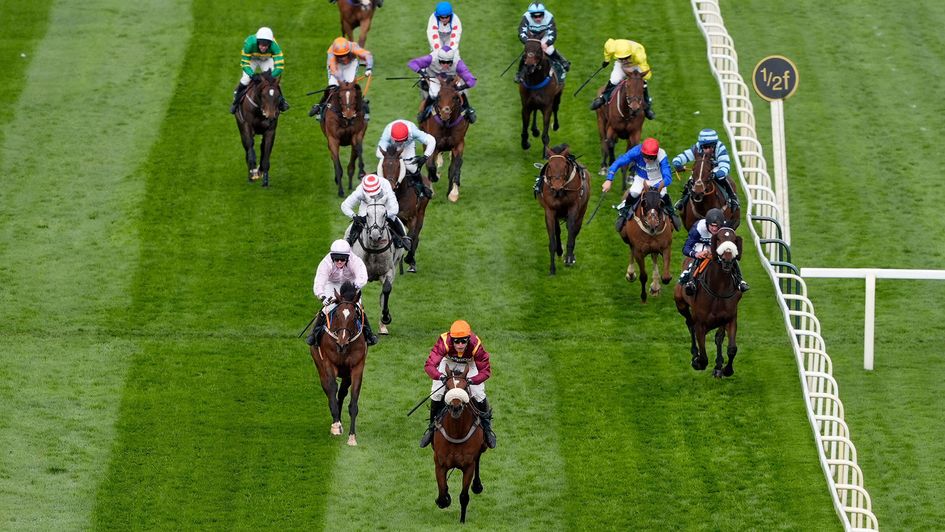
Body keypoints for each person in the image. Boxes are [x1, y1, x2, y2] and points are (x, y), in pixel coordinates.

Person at [419, 320, 496, 449]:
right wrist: (441, 377)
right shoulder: (443, 341)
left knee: (479, 393)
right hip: (448, 361)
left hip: (470, 363)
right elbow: (429, 365)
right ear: (451, 339)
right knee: (436, 393)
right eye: (456, 341)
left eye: (464, 341)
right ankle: (432, 428)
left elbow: (486, 371)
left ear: (469, 339)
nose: (460, 345)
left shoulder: (476, 344)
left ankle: (487, 429)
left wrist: (472, 380)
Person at [306, 239, 378, 347]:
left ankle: (369, 334)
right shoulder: (326, 263)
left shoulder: (355, 261)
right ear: (332, 257)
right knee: (328, 308)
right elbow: (319, 281)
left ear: (348, 257)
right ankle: (314, 334)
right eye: (336, 259)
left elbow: (363, 276)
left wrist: (354, 287)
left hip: (351, 285)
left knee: (357, 307)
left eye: (343, 259)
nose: (339, 262)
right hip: (332, 284)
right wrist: (322, 296)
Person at [602, 138, 682, 231]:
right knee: (634, 192)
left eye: (651, 157)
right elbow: (618, 162)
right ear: (641, 152)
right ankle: (624, 212)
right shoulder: (635, 151)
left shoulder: (662, 155)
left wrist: (655, 187)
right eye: (645, 156)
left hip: (658, 180)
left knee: (663, 194)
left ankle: (671, 212)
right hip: (641, 178)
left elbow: (668, 178)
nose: (647, 159)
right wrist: (609, 179)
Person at [678, 208, 750, 294]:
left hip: (716, 246)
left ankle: (740, 280)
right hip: (702, 245)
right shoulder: (698, 228)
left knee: (729, 254)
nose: (714, 229)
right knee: (702, 251)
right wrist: (696, 254)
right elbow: (686, 248)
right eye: (712, 226)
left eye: (717, 226)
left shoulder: (725, 227)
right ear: (707, 224)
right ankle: (691, 280)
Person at [672, 128, 740, 212]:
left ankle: (732, 198)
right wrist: (677, 164)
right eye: (704, 147)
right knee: (692, 179)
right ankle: (683, 200)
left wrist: (717, 174)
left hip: (715, 168)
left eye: (709, 147)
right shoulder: (697, 147)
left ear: (714, 145)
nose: (706, 150)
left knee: (722, 178)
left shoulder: (720, 147)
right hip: (702, 167)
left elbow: (725, 166)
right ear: (701, 145)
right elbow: (683, 156)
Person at [341, 173, 412, 251]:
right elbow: (345, 205)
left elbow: (395, 208)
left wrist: (384, 215)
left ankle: (402, 238)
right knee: (358, 221)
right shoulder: (360, 190)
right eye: (370, 195)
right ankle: (350, 239)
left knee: (393, 217)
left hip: (384, 204)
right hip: (367, 206)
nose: (372, 196)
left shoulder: (385, 185)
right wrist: (354, 216)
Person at [309, 37, 373, 121]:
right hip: (336, 65)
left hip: (351, 64)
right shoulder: (331, 52)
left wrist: (369, 68)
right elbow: (334, 70)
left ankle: (362, 106)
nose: (343, 58)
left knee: (351, 87)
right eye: (339, 56)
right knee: (333, 87)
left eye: (345, 55)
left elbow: (367, 55)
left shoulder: (353, 46)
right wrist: (342, 81)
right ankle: (321, 106)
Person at [407, 45, 477, 123]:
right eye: (442, 62)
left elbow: (472, 80)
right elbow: (412, 63)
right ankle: (424, 112)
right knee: (434, 93)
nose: (445, 65)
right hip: (435, 77)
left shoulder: (458, 63)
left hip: (451, 79)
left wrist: (461, 88)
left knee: (460, 92)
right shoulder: (432, 58)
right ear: (439, 59)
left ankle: (468, 109)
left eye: (448, 62)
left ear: (452, 60)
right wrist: (422, 73)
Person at [589, 38, 654, 119]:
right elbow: (607, 50)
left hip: (635, 64)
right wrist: (607, 60)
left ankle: (647, 108)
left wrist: (642, 77)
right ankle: (602, 99)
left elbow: (647, 73)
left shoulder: (639, 55)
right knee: (614, 80)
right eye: (621, 58)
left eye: (626, 57)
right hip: (621, 66)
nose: (624, 61)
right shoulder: (611, 46)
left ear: (630, 54)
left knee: (642, 83)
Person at [230, 27, 289, 114]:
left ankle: (282, 101)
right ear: (257, 42)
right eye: (261, 44)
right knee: (245, 80)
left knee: (274, 81)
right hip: (252, 59)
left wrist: (271, 76)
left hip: (266, 59)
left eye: (266, 45)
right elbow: (245, 63)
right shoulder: (249, 44)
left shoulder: (275, 47)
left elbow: (280, 66)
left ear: (270, 43)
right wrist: (252, 75)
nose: (263, 47)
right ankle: (236, 101)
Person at [376, 119, 437, 198]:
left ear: (408, 135)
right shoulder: (387, 133)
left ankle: (421, 188)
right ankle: (378, 187)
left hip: (408, 146)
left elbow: (431, 140)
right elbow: (379, 152)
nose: (400, 144)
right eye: (398, 141)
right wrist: (392, 159)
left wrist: (425, 157)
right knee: (384, 164)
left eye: (402, 141)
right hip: (391, 147)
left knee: (411, 167)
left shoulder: (413, 131)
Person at [515, 3, 570, 83]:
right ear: (530, 15)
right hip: (531, 37)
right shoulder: (526, 17)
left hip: (544, 36)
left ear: (544, 13)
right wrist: (527, 42)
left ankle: (562, 61)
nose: (538, 18)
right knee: (528, 54)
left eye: (540, 15)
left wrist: (547, 43)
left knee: (549, 50)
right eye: (535, 16)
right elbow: (521, 32)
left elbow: (552, 33)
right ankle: (519, 73)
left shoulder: (549, 17)